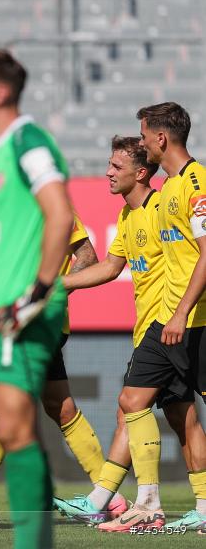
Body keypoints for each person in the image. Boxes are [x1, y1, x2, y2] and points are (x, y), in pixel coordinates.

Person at [0, 49, 75, 549]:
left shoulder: (28, 140)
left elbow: (61, 215)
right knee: (14, 430)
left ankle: (34, 542)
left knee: (17, 430)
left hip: (18, 312)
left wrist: (35, 294)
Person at [0, 215, 118, 518]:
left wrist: (51, 294)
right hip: (21, 324)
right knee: (60, 406)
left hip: (39, 325)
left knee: (8, 405)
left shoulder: (49, 204)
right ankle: (110, 496)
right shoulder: (6, 206)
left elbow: (88, 256)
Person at [94, 103, 206, 533]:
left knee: (172, 413)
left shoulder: (193, 182)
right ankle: (149, 503)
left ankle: (147, 503)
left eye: (143, 136)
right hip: (170, 321)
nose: (140, 143)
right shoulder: (169, 191)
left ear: (161, 138)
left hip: (186, 320)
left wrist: (179, 312)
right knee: (140, 403)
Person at [53, 135, 162, 525]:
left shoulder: (163, 209)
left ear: (141, 172)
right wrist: (59, 285)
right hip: (152, 326)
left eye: (117, 167)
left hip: (170, 325)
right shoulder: (128, 216)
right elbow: (111, 267)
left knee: (132, 406)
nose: (108, 173)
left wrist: (180, 313)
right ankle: (108, 499)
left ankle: (141, 504)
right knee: (139, 411)